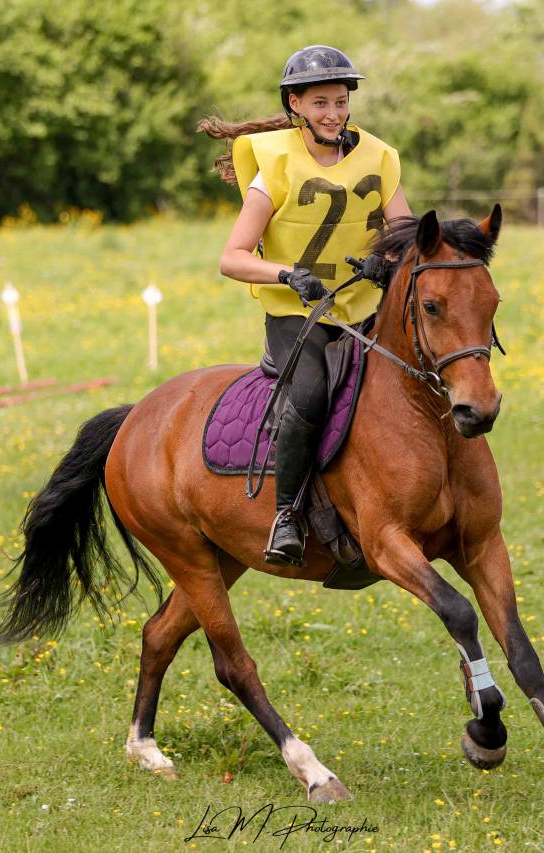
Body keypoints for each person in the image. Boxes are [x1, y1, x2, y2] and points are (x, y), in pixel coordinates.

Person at [198, 45, 412, 566]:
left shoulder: (379, 157)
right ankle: (287, 514)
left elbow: (406, 237)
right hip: (299, 316)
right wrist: (288, 275)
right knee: (311, 393)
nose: (334, 114)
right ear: (295, 104)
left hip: (363, 311)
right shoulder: (273, 165)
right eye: (321, 103)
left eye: (340, 102)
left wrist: (384, 262)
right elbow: (232, 258)